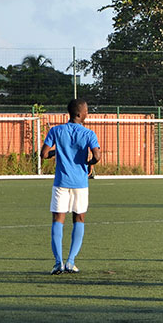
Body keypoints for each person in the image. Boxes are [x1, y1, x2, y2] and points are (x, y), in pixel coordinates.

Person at [41, 98, 101, 274]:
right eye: (87, 111)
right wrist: (90, 162)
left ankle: (58, 262)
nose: (87, 114)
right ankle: (70, 261)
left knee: (58, 220)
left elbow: (43, 154)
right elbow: (97, 155)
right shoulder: (89, 134)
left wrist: (56, 152)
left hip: (61, 182)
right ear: (79, 114)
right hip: (80, 183)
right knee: (79, 219)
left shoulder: (56, 130)